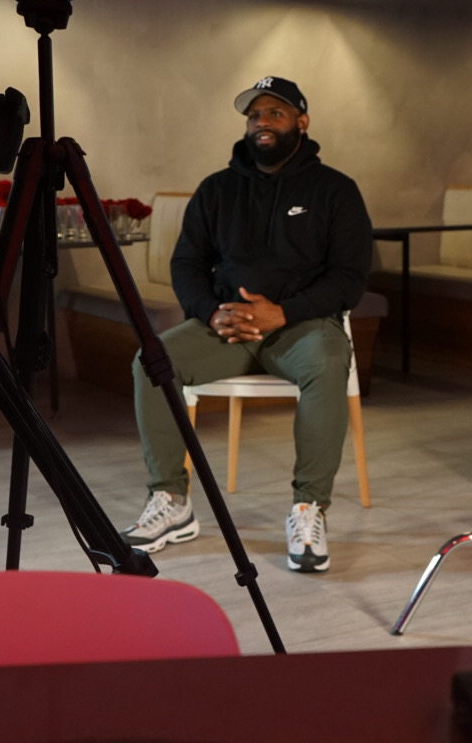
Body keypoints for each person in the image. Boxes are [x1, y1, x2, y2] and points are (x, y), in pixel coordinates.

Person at [126, 77, 372, 573]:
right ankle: (171, 502)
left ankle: (309, 509)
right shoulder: (217, 189)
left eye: (275, 113)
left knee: (327, 363)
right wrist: (209, 311)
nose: (262, 122)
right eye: (254, 115)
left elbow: (350, 276)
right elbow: (187, 263)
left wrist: (284, 311)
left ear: (302, 122)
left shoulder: (335, 190)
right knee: (153, 360)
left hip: (302, 326)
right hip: (229, 326)